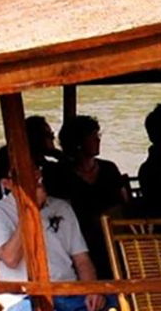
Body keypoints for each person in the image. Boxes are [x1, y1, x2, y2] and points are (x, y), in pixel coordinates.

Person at [0, 149, 112, 311]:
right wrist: (30, 210)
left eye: (35, 168)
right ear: (6, 183)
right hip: (24, 298)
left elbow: (82, 259)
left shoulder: (61, 207)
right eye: (22, 173)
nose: (33, 175)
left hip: (69, 292)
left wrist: (92, 290)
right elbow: (10, 258)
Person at [51, 114, 128, 277]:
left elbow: (123, 202)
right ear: (78, 141)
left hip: (112, 234)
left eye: (98, 135)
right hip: (78, 237)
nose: (97, 140)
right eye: (92, 136)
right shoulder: (60, 173)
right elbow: (57, 210)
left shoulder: (108, 169)